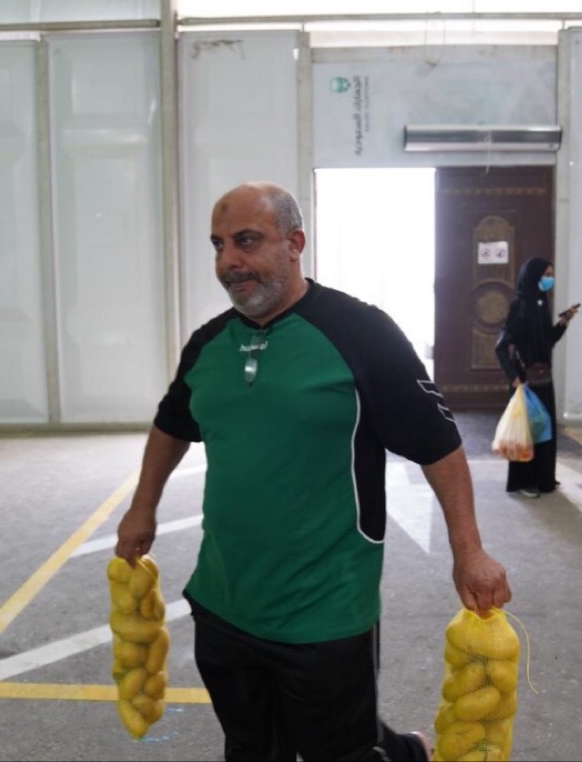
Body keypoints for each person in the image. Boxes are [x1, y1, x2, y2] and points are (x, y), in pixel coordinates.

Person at [115, 181, 512, 761]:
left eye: (247, 241)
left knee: (341, 751)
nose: (228, 261)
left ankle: (405, 754)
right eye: (219, 245)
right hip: (223, 600)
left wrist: (469, 551)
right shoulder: (208, 344)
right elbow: (172, 423)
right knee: (251, 748)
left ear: (294, 243)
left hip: (326, 610)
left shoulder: (361, 333)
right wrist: (143, 506)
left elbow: (439, 446)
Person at [493, 257, 579, 498]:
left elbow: (547, 340)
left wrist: (564, 321)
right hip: (525, 380)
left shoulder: (541, 303)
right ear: (533, 276)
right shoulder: (521, 305)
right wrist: (513, 377)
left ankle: (543, 478)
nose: (550, 279)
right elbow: (501, 346)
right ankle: (524, 482)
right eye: (546, 274)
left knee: (545, 428)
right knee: (527, 431)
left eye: (551, 274)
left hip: (542, 377)